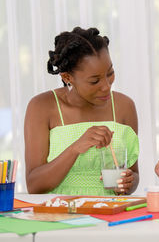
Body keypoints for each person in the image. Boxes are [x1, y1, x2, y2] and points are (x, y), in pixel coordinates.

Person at [24, 27, 139, 195]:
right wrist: (75, 148)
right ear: (67, 77)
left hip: (112, 215)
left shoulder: (124, 106)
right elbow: (34, 186)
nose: (106, 86)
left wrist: (129, 182)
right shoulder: (41, 107)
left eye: (110, 73)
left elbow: (133, 174)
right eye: (94, 81)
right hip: (61, 215)